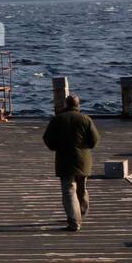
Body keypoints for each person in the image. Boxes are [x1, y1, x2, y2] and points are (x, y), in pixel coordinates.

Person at [42, 93, 101, 231]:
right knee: (81, 187)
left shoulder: (57, 119)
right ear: (78, 105)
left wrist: (56, 147)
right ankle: (81, 212)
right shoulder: (86, 120)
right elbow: (95, 140)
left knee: (69, 190)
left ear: (66, 105)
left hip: (65, 159)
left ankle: (74, 221)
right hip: (83, 160)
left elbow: (48, 139)